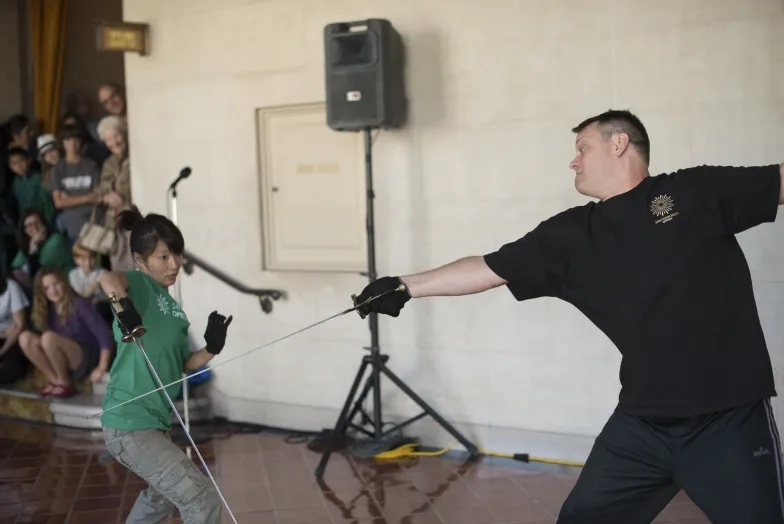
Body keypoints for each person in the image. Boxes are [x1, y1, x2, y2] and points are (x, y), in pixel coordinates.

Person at [353, 109, 784, 524]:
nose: (573, 161)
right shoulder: (570, 236)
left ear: (619, 144)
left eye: (583, 147)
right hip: (642, 424)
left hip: (728, 419)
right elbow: (487, 268)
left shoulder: (692, 193)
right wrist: (404, 285)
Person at [99, 208, 233, 524]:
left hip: (154, 424)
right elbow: (107, 278)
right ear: (140, 260)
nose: (175, 264)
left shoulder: (172, 307)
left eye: (177, 254)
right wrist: (124, 307)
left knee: (161, 496)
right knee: (201, 499)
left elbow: (182, 364)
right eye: (163, 257)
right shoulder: (135, 285)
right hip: (128, 423)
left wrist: (212, 348)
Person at [19, 266, 114, 398]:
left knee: (48, 337)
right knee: (25, 338)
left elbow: (105, 335)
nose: (53, 291)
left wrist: (102, 367)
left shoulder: (80, 303)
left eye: (56, 284)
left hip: (86, 356)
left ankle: (64, 382)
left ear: (64, 282)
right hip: (65, 357)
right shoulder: (48, 309)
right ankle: (55, 380)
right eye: (47, 288)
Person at [0, 274, 30, 384]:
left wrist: (2, 351)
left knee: (13, 370)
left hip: (14, 336)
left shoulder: (11, 287)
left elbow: (19, 325)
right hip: (4, 333)